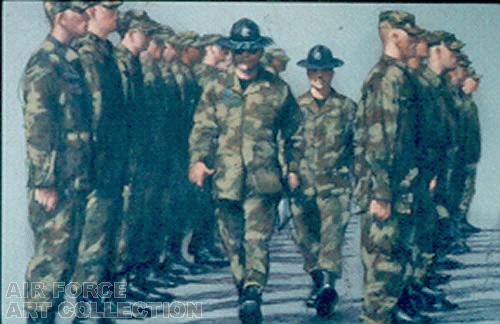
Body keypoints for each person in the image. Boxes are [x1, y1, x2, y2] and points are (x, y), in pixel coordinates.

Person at [188, 17, 303, 324]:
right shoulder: (215, 88)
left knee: (257, 241)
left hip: (262, 179)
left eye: (251, 50)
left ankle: (253, 291)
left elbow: (295, 133)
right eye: (239, 51)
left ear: (259, 52)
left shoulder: (277, 89)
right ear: (232, 53)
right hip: (225, 179)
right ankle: (245, 290)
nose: (245, 56)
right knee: (232, 244)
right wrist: (198, 160)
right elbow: (202, 128)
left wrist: (292, 168)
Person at [353, 10, 428, 323]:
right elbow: (380, 137)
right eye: (411, 35)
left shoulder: (398, 75)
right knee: (383, 269)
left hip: (399, 188)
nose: (415, 42)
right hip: (388, 190)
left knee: (392, 263)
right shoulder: (388, 78)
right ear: (395, 35)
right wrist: (382, 191)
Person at [21, 1, 93, 322]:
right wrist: (44, 181)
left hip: (74, 179)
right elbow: (39, 128)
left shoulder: (69, 62)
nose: (87, 16)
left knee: (66, 262)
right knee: (50, 266)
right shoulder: (45, 64)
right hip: (57, 182)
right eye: (80, 11)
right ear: (60, 16)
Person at [70, 1, 128, 312]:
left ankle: (100, 302)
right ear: (92, 11)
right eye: (110, 8)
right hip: (96, 161)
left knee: (107, 233)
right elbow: (92, 115)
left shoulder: (105, 53)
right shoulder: (88, 54)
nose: (116, 14)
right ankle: (86, 306)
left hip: (112, 160)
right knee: (93, 236)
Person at [114, 9, 173, 303]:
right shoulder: (119, 63)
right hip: (126, 160)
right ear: (130, 32)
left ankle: (133, 281)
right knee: (124, 226)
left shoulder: (133, 64)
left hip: (142, 157)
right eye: (145, 32)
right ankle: (116, 290)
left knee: (137, 222)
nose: (150, 39)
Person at [292, 44, 356, 318]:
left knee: (332, 238)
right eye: (314, 71)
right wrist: (291, 171)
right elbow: (288, 144)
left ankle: (328, 284)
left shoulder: (347, 108)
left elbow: (358, 146)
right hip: (303, 186)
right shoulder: (295, 107)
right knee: (307, 239)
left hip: (336, 185)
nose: (320, 76)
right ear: (308, 73)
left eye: (325, 71)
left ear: (332, 73)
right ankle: (319, 282)